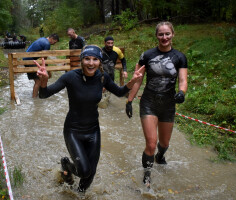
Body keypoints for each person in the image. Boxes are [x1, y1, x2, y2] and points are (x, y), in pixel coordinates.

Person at [34, 45, 145, 194]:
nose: (91, 63)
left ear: (99, 62)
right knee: (84, 171)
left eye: (95, 59)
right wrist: (44, 81)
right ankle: (66, 164)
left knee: (90, 173)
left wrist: (132, 82)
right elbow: (44, 94)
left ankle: (78, 195)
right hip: (73, 130)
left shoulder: (103, 78)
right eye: (87, 59)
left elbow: (119, 92)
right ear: (81, 60)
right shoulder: (70, 77)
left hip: (93, 131)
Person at [125, 21, 188, 187]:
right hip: (149, 103)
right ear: (156, 36)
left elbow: (183, 79)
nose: (164, 37)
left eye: (167, 34)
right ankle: (147, 175)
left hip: (168, 104)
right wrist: (130, 100)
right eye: (161, 34)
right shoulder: (147, 55)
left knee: (164, 144)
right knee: (151, 144)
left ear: (172, 34)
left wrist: (181, 92)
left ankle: (160, 157)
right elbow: (137, 80)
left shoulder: (180, 57)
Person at [23, 33, 59, 98]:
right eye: (54, 42)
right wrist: (48, 71)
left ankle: (38, 95)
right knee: (38, 81)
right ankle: (34, 99)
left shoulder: (42, 39)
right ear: (52, 39)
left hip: (27, 59)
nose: (54, 44)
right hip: (29, 60)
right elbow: (44, 60)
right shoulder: (47, 44)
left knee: (39, 79)